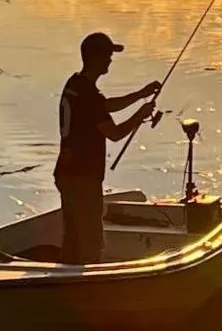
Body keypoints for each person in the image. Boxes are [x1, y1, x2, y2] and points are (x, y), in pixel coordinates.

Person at [54, 31, 160, 265]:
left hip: (66, 172)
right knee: (91, 243)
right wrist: (140, 114)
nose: (110, 60)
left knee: (73, 239)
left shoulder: (75, 84)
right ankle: (88, 282)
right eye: (107, 55)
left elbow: (104, 106)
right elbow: (115, 133)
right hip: (83, 176)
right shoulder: (89, 95)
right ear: (95, 58)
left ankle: (65, 277)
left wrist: (140, 95)